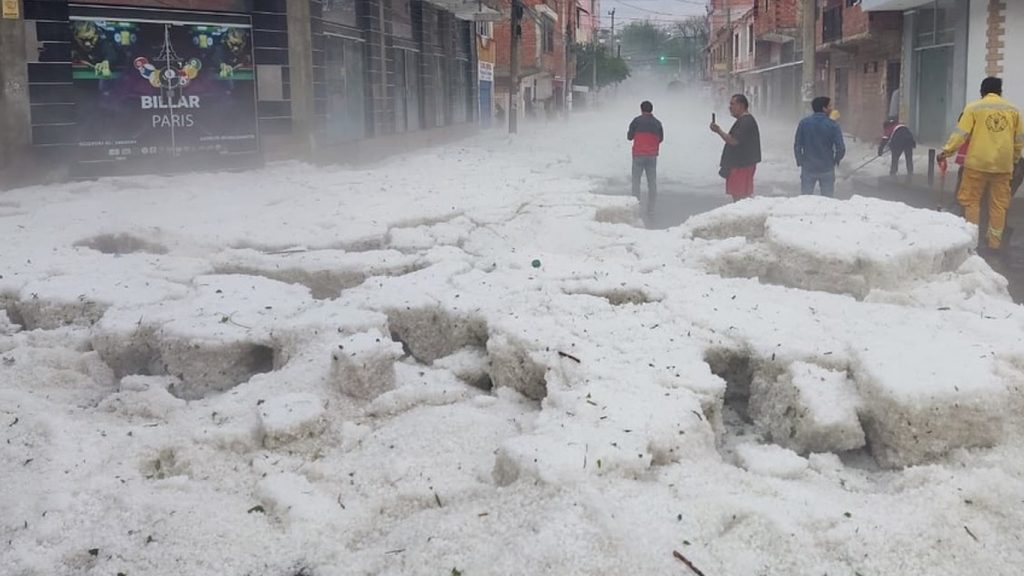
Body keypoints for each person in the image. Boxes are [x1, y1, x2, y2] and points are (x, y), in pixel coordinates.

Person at [938, 77, 1023, 252]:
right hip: (1003, 166)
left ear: (982, 92)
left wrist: (945, 152)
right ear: (1000, 91)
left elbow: (960, 135)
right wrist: (1013, 161)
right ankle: (994, 244)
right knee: (999, 205)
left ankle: (972, 241)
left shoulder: (974, 108)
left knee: (971, 202)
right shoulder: (1014, 110)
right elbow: (1019, 141)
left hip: (977, 165)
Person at [711, 93, 762, 202]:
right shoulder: (743, 121)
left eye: (732, 104)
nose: (730, 107)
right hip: (740, 164)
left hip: (742, 166)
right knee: (738, 196)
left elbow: (734, 141)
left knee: (740, 197)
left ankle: (742, 217)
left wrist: (718, 131)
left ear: (741, 105)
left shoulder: (746, 122)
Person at [794, 96, 846, 197]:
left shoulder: (804, 123)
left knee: (805, 199)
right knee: (827, 200)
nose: (831, 108)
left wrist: (800, 160)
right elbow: (841, 148)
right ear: (824, 108)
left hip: (808, 167)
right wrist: (835, 160)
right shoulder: (833, 125)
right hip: (826, 167)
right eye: (829, 106)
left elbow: (797, 145)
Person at [627, 100, 664, 215]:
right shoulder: (658, 123)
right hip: (652, 156)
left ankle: (635, 206)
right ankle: (651, 209)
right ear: (651, 109)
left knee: (636, 181)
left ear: (641, 109)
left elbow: (629, 137)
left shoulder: (636, 121)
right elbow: (661, 139)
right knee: (652, 183)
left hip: (638, 155)